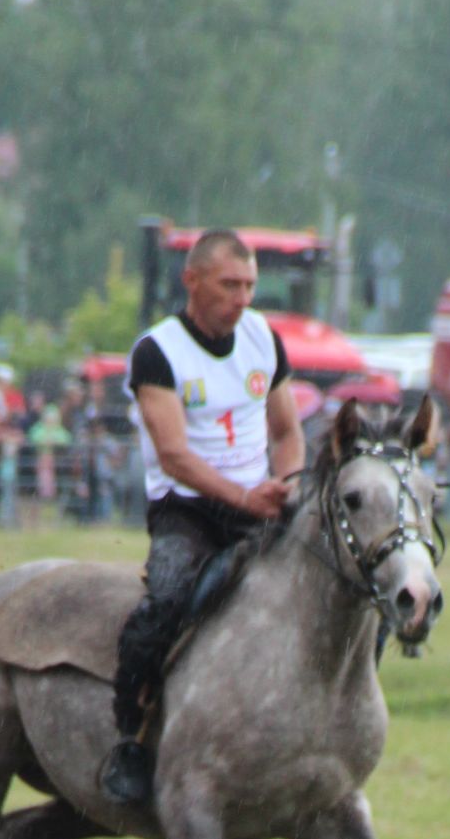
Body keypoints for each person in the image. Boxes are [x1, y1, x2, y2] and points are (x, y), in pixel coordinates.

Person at [103, 227, 304, 808]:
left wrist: (286, 489)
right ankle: (129, 740)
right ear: (192, 281)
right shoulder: (157, 351)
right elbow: (174, 457)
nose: (242, 298)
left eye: (250, 286)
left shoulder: (264, 337)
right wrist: (245, 500)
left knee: (334, 575)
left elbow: (288, 432)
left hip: (261, 499)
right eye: (230, 285)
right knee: (165, 602)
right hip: (185, 508)